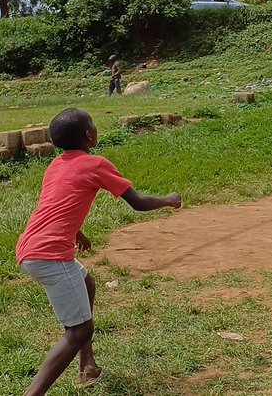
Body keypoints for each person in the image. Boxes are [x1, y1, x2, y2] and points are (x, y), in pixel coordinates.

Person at [16, 108, 182, 394]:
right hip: (51, 255)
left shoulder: (55, 165)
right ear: (88, 136)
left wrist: (78, 232)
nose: (95, 128)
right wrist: (168, 200)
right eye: (92, 124)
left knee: (86, 282)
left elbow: (58, 203)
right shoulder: (95, 164)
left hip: (30, 247)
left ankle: (87, 367)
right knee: (79, 331)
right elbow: (138, 202)